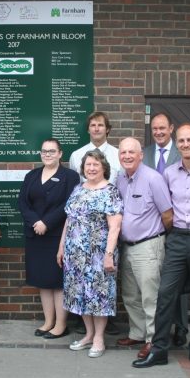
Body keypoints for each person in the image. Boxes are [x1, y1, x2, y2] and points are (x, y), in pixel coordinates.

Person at [133, 123, 190, 370]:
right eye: (182, 141)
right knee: (165, 294)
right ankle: (160, 349)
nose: (185, 144)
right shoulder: (169, 173)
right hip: (177, 239)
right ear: (177, 142)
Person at [57, 149, 123, 358]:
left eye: (96, 164)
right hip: (74, 254)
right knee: (81, 295)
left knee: (99, 295)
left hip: (98, 255)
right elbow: (69, 220)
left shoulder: (110, 191)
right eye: (88, 165)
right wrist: (61, 248)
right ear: (83, 169)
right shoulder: (78, 189)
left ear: (104, 167)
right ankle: (88, 334)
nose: (92, 168)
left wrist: (109, 254)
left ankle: (99, 338)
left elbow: (115, 227)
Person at [116, 138, 173, 360]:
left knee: (151, 297)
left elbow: (168, 215)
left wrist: (155, 235)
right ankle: (138, 333)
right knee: (130, 295)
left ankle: (153, 340)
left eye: (132, 152)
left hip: (149, 245)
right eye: (123, 152)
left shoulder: (153, 178)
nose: (127, 156)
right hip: (127, 247)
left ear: (141, 155)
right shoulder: (121, 178)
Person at [18, 139, 80, 339]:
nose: (48, 154)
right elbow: (22, 203)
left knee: (58, 281)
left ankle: (61, 325)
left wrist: (47, 222)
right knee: (42, 281)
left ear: (60, 154)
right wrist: (36, 221)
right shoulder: (32, 175)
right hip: (35, 235)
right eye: (44, 151)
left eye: (52, 151)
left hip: (57, 236)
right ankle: (48, 322)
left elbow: (68, 204)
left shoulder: (70, 176)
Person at [68, 111, 121, 335]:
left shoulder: (119, 155)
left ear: (107, 129)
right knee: (81, 284)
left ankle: (104, 326)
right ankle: (87, 327)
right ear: (88, 129)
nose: (97, 128)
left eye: (101, 125)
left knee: (104, 284)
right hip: (79, 241)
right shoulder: (76, 155)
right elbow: (77, 189)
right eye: (93, 125)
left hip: (106, 230)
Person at [142, 112, 188, 347]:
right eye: (154, 129)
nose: (158, 132)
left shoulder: (183, 152)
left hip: (177, 225)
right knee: (156, 281)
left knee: (177, 281)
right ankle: (156, 329)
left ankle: (180, 327)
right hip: (151, 226)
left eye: (162, 128)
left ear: (171, 128)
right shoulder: (146, 153)